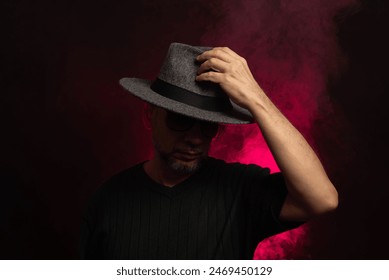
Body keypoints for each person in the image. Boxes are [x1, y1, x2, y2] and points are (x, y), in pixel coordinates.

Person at [79, 42, 338, 259]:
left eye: (207, 127)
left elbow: (322, 198)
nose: (194, 139)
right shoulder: (107, 201)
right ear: (150, 116)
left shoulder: (240, 189)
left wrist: (256, 98)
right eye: (180, 120)